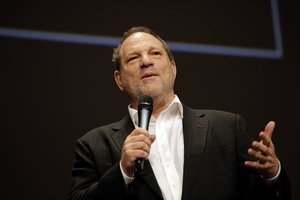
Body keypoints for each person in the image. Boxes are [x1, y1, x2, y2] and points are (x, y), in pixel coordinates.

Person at [68, 26, 291, 200]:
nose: (146, 62)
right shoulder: (92, 145)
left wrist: (272, 174)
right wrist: (122, 171)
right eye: (133, 58)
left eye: (155, 53)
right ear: (119, 79)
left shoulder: (227, 127)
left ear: (173, 68)